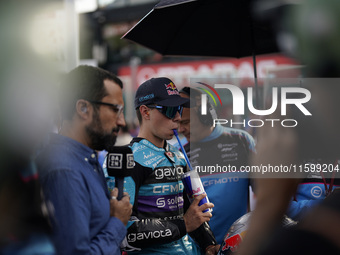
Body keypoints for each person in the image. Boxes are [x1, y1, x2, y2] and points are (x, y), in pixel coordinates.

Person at [36, 65, 132, 255]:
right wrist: (117, 222)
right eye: (115, 109)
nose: (121, 121)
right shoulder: (64, 170)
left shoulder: (84, 158)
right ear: (83, 108)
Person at [121, 77, 218, 255]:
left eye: (179, 109)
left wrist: (208, 243)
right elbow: (124, 234)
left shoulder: (178, 155)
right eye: (171, 110)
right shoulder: (128, 159)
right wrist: (184, 225)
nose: (178, 118)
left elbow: (192, 211)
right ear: (145, 112)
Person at [177, 87, 256, 244]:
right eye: (178, 123)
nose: (180, 129)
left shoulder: (242, 140)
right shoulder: (180, 154)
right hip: (200, 247)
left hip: (240, 244)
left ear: (206, 115)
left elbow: (264, 190)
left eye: (185, 122)